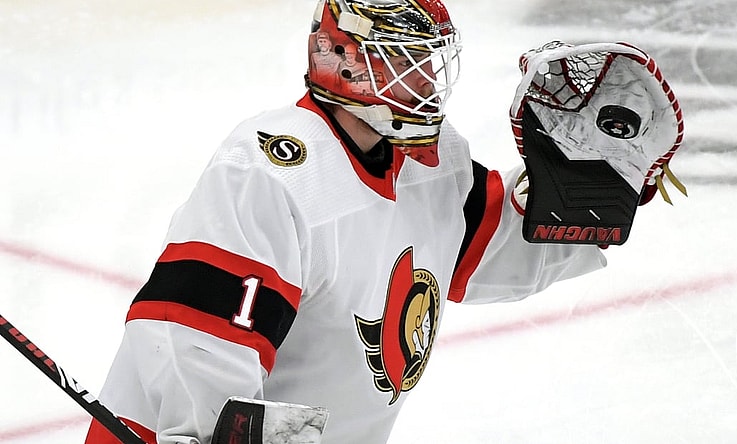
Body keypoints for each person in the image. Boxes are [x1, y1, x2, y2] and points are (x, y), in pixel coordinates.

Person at [83, 1, 680, 443]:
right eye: (406, 61)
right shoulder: (269, 172)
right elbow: (199, 342)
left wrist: (598, 190)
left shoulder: (432, 165)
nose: (426, 80)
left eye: (429, 62)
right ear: (344, 60)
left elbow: (500, 247)